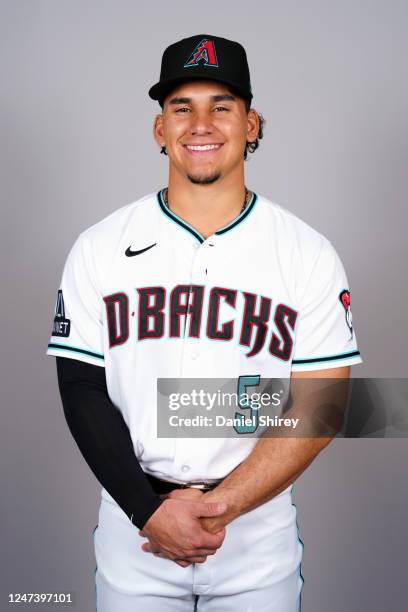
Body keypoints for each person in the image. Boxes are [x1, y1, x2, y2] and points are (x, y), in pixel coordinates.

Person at [46, 34, 362, 611]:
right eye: (180, 107)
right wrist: (149, 511)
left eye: (221, 106)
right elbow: (82, 388)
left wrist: (220, 509)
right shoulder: (99, 247)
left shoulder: (307, 252)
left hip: (255, 534)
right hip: (134, 529)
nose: (201, 124)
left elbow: (321, 403)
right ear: (159, 129)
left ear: (252, 124)